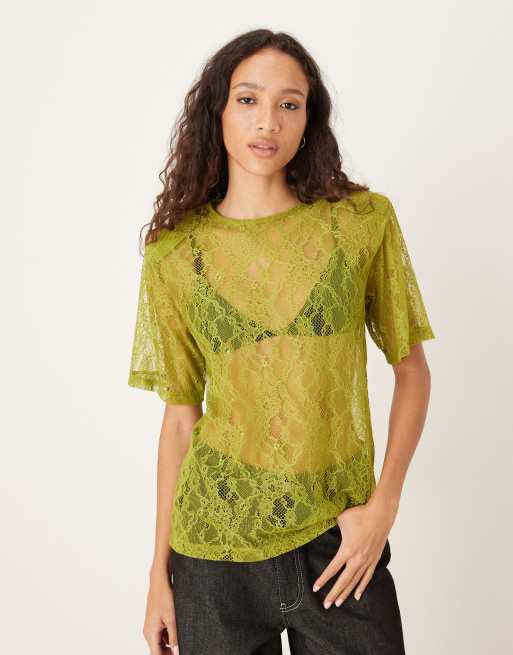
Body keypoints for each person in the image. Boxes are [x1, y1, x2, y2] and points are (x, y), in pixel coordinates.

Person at [127, 29, 435, 655]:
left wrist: (382, 509)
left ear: (309, 119)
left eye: (289, 104)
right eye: (248, 99)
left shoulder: (360, 224)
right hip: (212, 553)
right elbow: (181, 419)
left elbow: (412, 371)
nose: (267, 121)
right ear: (217, 111)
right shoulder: (175, 254)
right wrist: (159, 574)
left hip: (340, 546)